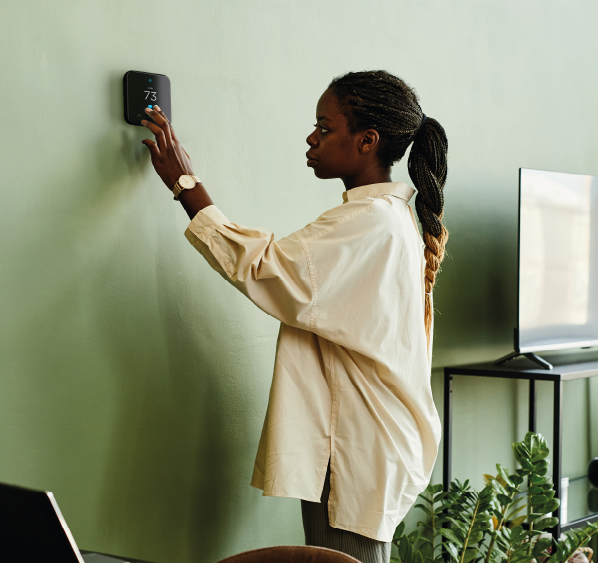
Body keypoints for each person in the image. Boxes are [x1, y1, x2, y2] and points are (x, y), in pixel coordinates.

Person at [140, 70, 447, 563]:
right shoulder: (385, 219)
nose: (311, 138)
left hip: (356, 453)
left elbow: (266, 269)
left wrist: (185, 183)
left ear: (367, 141)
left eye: (325, 128)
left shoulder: (371, 224)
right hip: (361, 448)